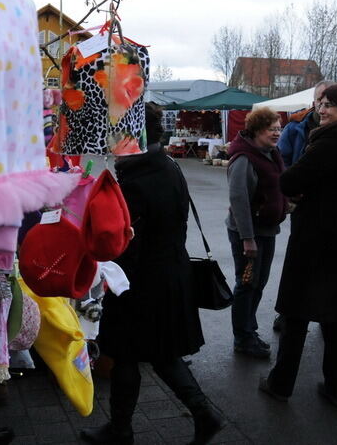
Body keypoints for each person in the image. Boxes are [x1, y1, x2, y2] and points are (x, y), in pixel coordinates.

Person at [81, 103, 226, 445]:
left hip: (141, 283)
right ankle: (196, 416)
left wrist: (106, 272)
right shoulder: (165, 165)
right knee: (157, 354)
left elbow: (126, 242)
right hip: (168, 275)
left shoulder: (137, 179)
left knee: (131, 352)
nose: (109, 139)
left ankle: (125, 429)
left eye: (115, 131)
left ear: (132, 136)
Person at [259, 83, 337, 408]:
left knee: (296, 312)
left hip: (315, 238)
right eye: (321, 103)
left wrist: (299, 189)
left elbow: (289, 181)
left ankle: (280, 384)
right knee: (335, 314)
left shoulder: (330, 143)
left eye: (330, 105)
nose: (322, 109)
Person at [226, 108, 288, 359]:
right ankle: (243, 337)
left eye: (279, 128)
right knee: (247, 284)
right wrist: (247, 238)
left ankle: (249, 331)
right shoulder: (243, 158)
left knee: (259, 283)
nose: (277, 133)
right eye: (272, 128)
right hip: (249, 234)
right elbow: (239, 199)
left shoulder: (271, 153)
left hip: (267, 230)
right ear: (257, 130)